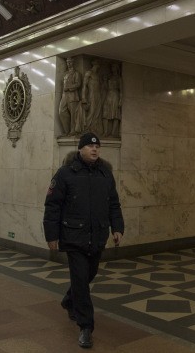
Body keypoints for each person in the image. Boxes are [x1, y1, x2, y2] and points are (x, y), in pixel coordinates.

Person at [43, 133, 124, 349]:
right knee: (80, 279)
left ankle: (69, 300)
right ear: (80, 149)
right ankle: (86, 327)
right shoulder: (65, 174)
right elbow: (52, 206)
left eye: (97, 146)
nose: (94, 149)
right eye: (89, 146)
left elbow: (114, 204)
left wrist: (117, 227)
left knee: (90, 273)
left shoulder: (106, 174)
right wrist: (51, 235)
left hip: (97, 235)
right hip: (73, 236)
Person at [58, 57, 83, 136]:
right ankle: (66, 130)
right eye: (67, 62)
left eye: (70, 62)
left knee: (73, 114)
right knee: (61, 112)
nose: (69, 64)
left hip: (73, 95)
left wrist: (69, 87)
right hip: (64, 96)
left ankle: (73, 131)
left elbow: (78, 84)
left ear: (73, 63)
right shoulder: (65, 74)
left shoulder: (76, 73)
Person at [81, 59, 103, 134]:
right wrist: (83, 97)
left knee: (97, 112)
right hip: (91, 94)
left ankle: (93, 128)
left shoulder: (97, 75)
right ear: (95, 65)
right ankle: (86, 128)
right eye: (97, 65)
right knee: (92, 111)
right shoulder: (89, 73)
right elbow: (84, 85)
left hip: (98, 95)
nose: (98, 66)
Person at [101, 63, 122, 137]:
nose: (112, 68)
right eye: (112, 67)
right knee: (105, 113)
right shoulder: (109, 77)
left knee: (115, 114)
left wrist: (120, 100)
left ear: (116, 68)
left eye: (114, 67)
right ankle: (105, 131)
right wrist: (104, 81)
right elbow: (106, 88)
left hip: (115, 95)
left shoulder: (119, 78)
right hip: (108, 95)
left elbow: (121, 90)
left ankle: (113, 133)